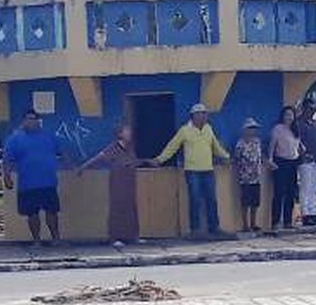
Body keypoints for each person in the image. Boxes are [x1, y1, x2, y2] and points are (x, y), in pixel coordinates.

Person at [153, 103, 231, 238]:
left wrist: (226, 157)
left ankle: (214, 228)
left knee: (211, 200)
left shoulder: (208, 129)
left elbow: (216, 147)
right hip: (192, 171)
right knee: (195, 200)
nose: (203, 116)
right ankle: (195, 230)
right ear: (193, 116)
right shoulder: (184, 130)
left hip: (208, 170)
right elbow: (172, 146)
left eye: (204, 114)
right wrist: (160, 159)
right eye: (200, 114)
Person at [3, 110, 64, 243]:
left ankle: (56, 239)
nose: (31, 122)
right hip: (27, 184)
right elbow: (7, 160)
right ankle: (37, 240)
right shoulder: (15, 139)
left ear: (39, 121)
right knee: (32, 214)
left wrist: (75, 167)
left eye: (34, 119)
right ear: (23, 121)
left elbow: (61, 153)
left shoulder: (49, 136)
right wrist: (7, 177)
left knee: (52, 212)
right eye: (28, 119)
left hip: (48, 182)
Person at [77, 124, 141, 245]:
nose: (130, 133)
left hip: (130, 183)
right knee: (117, 209)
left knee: (131, 209)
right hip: (118, 183)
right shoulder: (113, 148)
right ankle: (115, 237)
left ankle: (132, 236)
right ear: (120, 134)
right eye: (127, 131)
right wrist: (83, 167)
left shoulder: (130, 148)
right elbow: (98, 158)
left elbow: (133, 162)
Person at [268, 106, 302, 230]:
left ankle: (288, 221)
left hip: (293, 162)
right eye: (287, 115)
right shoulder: (278, 129)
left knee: (291, 193)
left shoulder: (295, 129)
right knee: (279, 193)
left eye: (291, 115)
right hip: (281, 162)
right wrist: (270, 160)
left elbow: (297, 145)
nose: (289, 117)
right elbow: (272, 145)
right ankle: (275, 222)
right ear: (282, 116)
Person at [233, 118, 265, 232]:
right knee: (245, 202)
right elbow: (236, 158)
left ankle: (253, 223)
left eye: (254, 129)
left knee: (255, 202)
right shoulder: (240, 143)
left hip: (256, 176)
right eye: (250, 128)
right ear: (245, 130)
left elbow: (260, 157)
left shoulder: (257, 142)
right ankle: (245, 224)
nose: (253, 131)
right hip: (245, 177)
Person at [296, 98, 316, 226]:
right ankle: (305, 214)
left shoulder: (314, 124)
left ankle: (312, 212)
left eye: (314, 109)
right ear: (304, 109)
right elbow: (296, 141)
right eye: (310, 109)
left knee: (314, 187)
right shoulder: (298, 123)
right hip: (305, 159)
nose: (312, 112)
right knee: (305, 187)